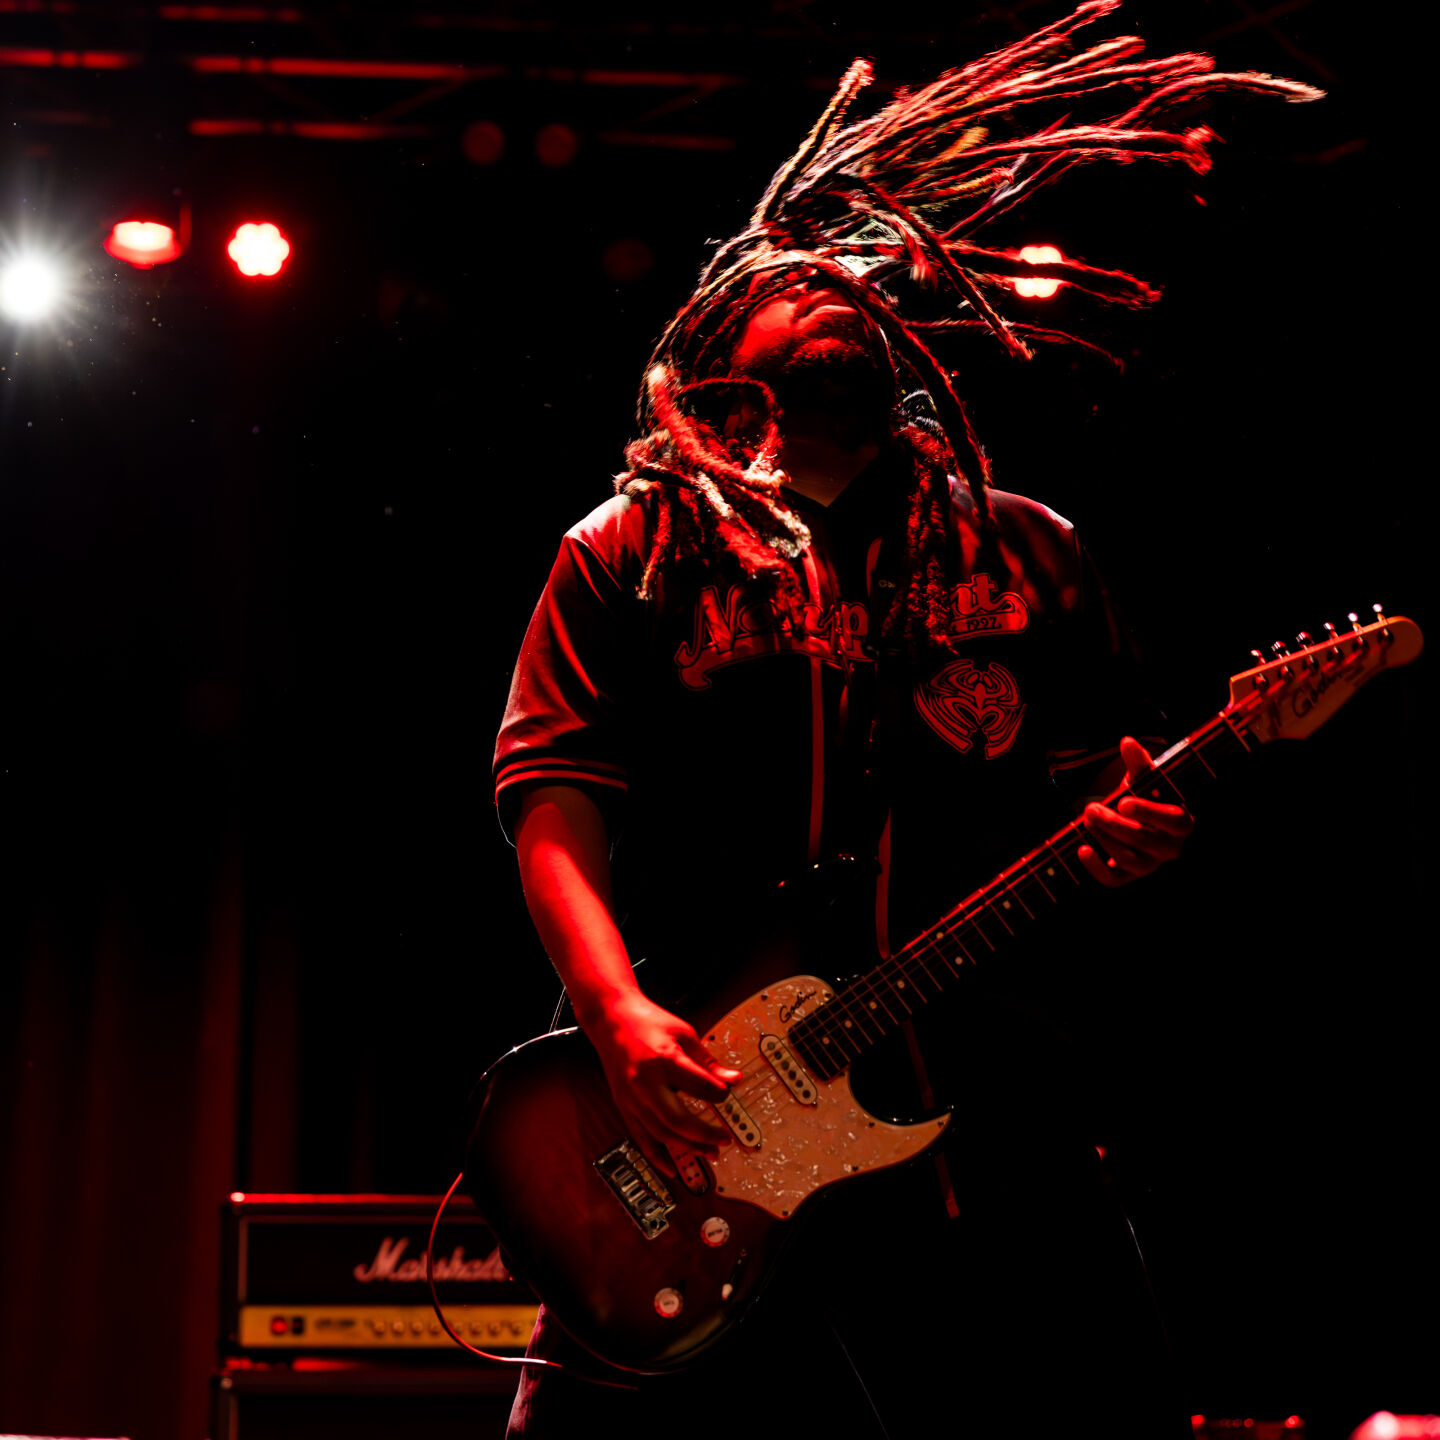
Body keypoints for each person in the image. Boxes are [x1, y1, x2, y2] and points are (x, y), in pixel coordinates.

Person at [486, 8, 1318, 1434]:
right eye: (794, 293)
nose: (834, 301)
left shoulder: (1026, 550)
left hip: (979, 1100)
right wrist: (617, 1014)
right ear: (718, 367)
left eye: (856, 298)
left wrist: (1139, 836)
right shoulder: (629, 551)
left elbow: (1099, 794)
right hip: (696, 1092)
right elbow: (552, 790)